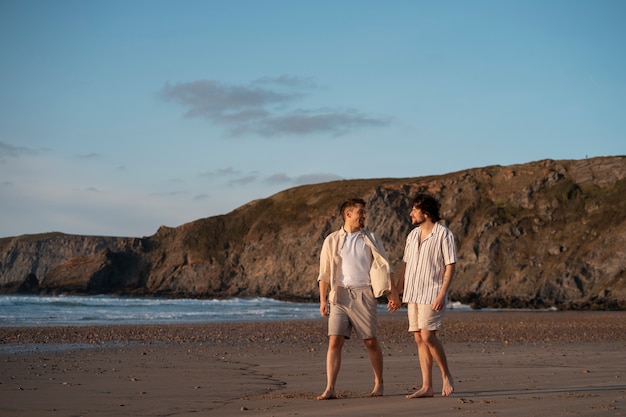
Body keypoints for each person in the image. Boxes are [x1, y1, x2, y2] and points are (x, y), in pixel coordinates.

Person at [317, 198, 401, 400]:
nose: (364, 216)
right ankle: (330, 388)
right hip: (339, 295)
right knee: (334, 340)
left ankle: (379, 384)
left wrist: (393, 294)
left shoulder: (371, 237)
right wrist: (322, 300)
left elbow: (385, 267)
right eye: (360, 212)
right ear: (348, 214)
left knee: (370, 341)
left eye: (364, 213)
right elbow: (324, 273)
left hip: (364, 294)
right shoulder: (332, 240)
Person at [396, 193, 457, 398]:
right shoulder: (412, 235)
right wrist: (397, 291)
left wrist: (442, 294)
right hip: (412, 293)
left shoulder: (444, 234)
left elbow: (450, 267)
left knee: (428, 335)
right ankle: (427, 386)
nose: (411, 213)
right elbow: (406, 266)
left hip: (432, 293)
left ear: (426, 212)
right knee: (418, 338)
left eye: (415, 209)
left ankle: (446, 375)